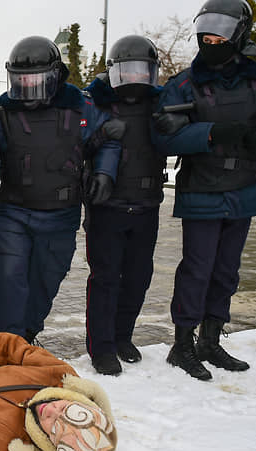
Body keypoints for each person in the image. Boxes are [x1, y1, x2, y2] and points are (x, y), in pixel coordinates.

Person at [0, 36, 123, 344]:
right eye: (21, 80)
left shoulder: (80, 106)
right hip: (15, 213)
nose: (28, 87)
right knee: (11, 279)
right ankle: (6, 345)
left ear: (55, 76)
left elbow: (107, 138)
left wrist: (104, 172)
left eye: (36, 80)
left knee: (46, 280)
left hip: (62, 216)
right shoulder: (2, 112)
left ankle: (26, 335)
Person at [153, 0, 255, 380]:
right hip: (202, 189)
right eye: (206, 33)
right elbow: (163, 136)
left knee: (227, 271)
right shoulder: (184, 83)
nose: (211, 41)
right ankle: (182, 344)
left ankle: (210, 340)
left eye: (221, 33)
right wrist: (211, 133)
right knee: (197, 269)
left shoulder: (253, 79)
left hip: (243, 189)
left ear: (239, 34)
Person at [83, 36, 166, 376]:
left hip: (147, 205)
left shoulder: (159, 104)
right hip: (108, 207)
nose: (134, 78)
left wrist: (176, 127)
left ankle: (122, 336)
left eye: (141, 71)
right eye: (126, 70)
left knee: (138, 277)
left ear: (152, 72)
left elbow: (175, 138)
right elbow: (77, 145)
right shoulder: (95, 103)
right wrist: (100, 138)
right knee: (105, 278)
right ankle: (101, 348)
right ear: (113, 71)